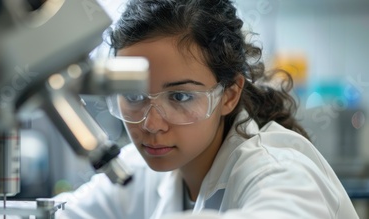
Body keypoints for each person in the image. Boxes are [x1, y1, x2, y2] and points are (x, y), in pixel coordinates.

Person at [54, 0, 359, 218]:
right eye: (133, 96)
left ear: (229, 94)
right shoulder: (140, 171)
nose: (152, 124)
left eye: (180, 97)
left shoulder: (278, 168)